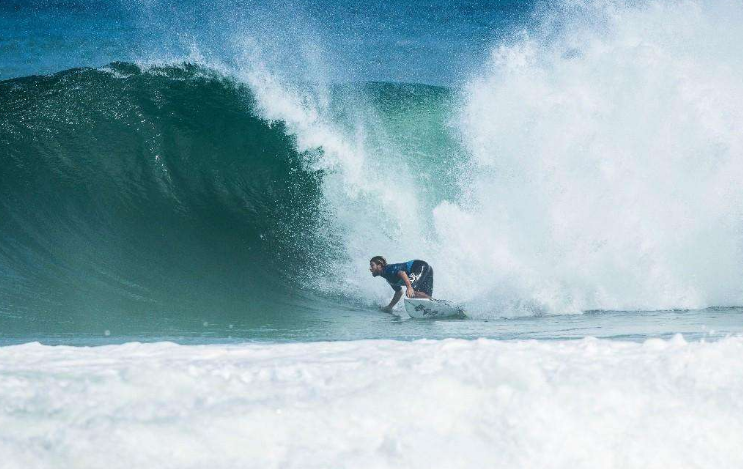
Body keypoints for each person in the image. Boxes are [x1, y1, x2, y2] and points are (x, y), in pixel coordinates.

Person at [369, 256, 433, 313]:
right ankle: (434, 305)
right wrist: (389, 307)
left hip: (420, 266)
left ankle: (434, 302)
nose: (370, 268)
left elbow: (402, 273)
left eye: (372, 265)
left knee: (411, 292)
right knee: (424, 296)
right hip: (427, 269)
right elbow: (399, 292)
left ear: (379, 265)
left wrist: (409, 287)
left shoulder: (388, 270)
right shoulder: (389, 279)